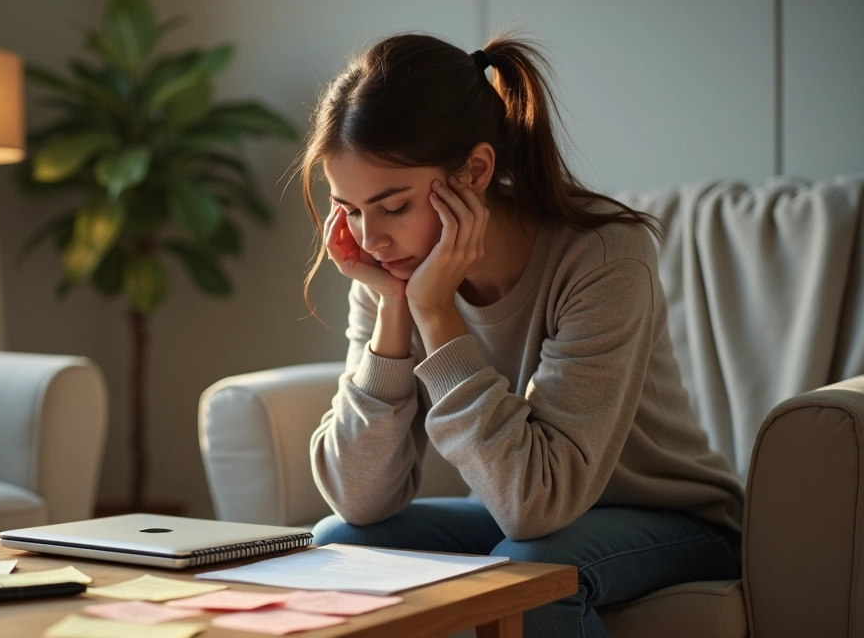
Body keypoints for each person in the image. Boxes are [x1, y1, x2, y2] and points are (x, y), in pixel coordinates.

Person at [298, 32, 745, 638]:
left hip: (671, 518)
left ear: (476, 171)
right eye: (349, 209)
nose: (369, 239)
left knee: (531, 568)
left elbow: (534, 507)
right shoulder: (389, 272)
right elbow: (358, 500)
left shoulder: (603, 256)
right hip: (520, 520)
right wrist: (397, 308)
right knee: (338, 544)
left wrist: (437, 314)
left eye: (394, 205)